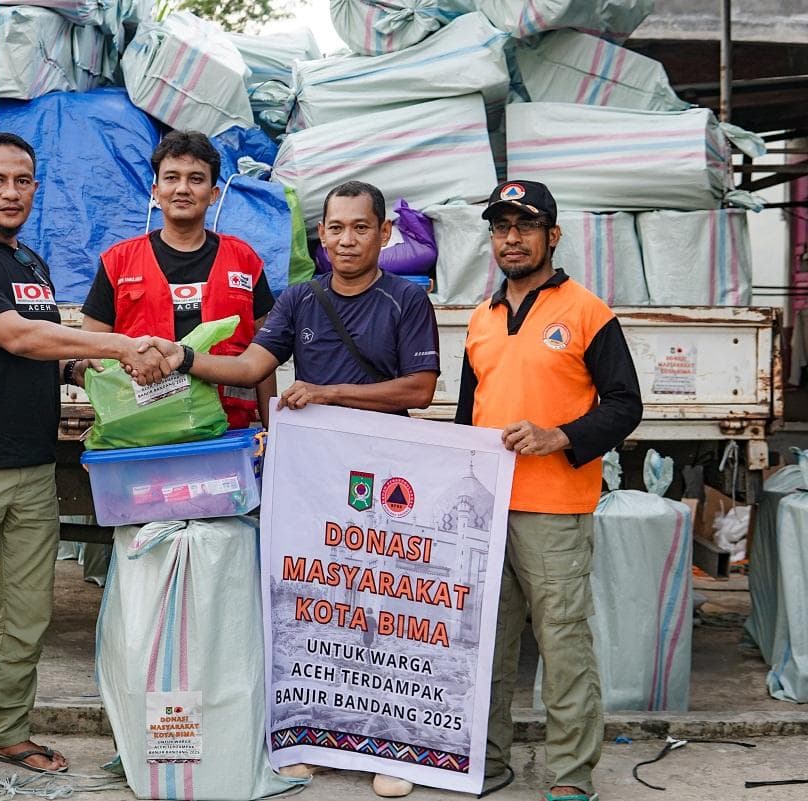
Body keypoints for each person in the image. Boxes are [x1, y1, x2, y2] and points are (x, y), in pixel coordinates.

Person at [151, 180, 441, 798]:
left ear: (384, 234)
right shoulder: (301, 299)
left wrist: (331, 393)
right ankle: (311, 737)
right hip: (315, 476)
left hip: (388, 481)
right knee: (315, 607)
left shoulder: (405, 300)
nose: (346, 239)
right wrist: (182, 358)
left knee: (386, 611)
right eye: (334, 228)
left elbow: (418, 390)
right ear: (322, 236)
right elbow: (252, 367)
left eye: (360, 227)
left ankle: (391, 749)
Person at [0, 131, 170, 799]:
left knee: (26, 613)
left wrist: (99, 370)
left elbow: (49, 351)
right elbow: (18, 335)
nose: (10, 191)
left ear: (35, 188)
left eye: (22, 180)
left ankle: (9, 730)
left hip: (31, 465)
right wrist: (119, 344)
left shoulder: (32, 262)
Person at [455, 180, 642, 801]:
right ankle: (487, 758)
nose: (512, 237)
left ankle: (570, 776)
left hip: (554, 508)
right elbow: (466, 415)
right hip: (487, 508)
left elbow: (625, 405)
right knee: (487, 642)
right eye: (501, 227)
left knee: (562, 642)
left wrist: (559, 435)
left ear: (552, 236)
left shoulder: (587, 311)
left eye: (525, 226)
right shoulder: (481, 319)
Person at [80, 129, 277, 429]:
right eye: (172, 178)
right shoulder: (118, 262)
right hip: (145, 435)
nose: (182, 188)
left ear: (213, 195)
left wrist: (271, 432)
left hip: (227, 432)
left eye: (196, 179)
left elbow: (266, 354)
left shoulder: (244, 260)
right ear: (156, 191)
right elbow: (91, 353)